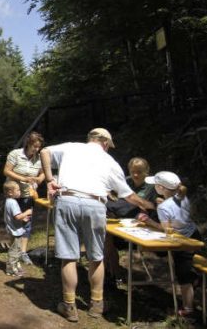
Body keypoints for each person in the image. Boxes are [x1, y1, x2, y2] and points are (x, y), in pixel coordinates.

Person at [40, 128, 154, 322]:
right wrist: (147, 205)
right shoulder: (110, 162)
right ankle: (97, 304)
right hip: (95, 204)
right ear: (105, 143)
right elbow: (128, 195)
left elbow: (44, 152)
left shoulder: (71, 147)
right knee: (96, 256)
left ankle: (69, 305)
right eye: (109, 146)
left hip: (67, 200)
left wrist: (50, 180)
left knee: (68, 256)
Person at [138, 171, 201, 317]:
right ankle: (195, 281)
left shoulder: (163, 208)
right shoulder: (182, 197)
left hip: (181, 242)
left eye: (155, 185)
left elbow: (167, 230)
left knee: (183, 275)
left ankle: (188, 310)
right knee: (184, 269)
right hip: (194, 234)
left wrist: (149, 221)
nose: (154, 187)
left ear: (161, 188)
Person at [104, 157, 159, 286]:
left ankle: (114, 275)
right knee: (106, 236)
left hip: (144, 226)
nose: (135, 175)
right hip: (122, 222)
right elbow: (112, 196)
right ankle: (114, 274)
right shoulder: (126, 182)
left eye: (139, 172)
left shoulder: (153, 188)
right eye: (133, 171)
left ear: (147, 171)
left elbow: (154, 208)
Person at [3, 131, 45, 265]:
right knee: (14, 222)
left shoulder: (39, 158)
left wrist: (38, 179)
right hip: (13, 194)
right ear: (28, 144)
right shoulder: (15, 154)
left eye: (39, 147)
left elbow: (43, 173)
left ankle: (23, 252)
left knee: (26, 222)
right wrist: (23, 178)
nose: (37, 149)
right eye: (35, 146)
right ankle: (14, 250)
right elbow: (6, 171)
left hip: (28, 194)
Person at [4, 180, 32, 277]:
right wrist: (27, 212)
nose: (20, 192)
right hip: (15, 231)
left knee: (15, 248)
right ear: (10, 192)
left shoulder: (9, 201)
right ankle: (11, 269)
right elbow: (17, 217)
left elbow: (14, 216)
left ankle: (15, 266)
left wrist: (23, 218)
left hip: (12, 229)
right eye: (18, 190)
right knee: (15, 250)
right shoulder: (13, 203)